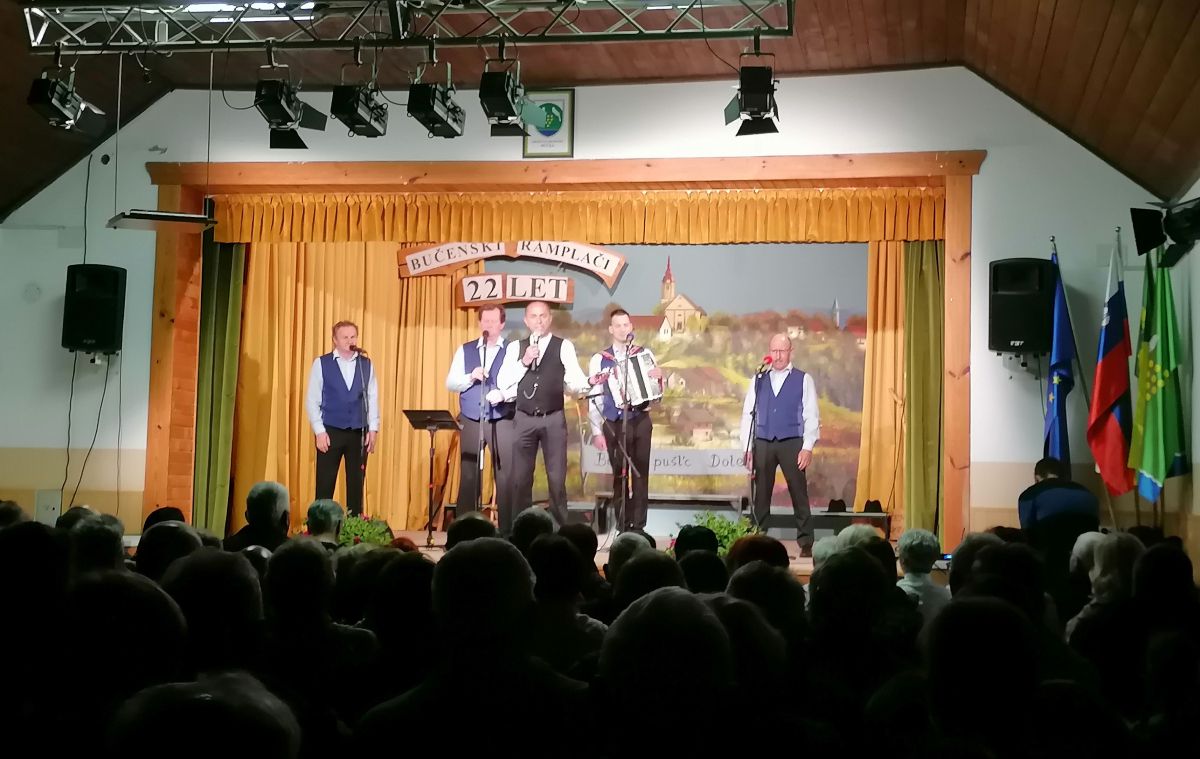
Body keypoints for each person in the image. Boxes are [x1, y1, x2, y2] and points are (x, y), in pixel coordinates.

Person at [496, 300, 591, 527]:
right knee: (521, 479)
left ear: (550, 319)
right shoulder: (516, 348)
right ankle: (520, 528)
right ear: (526, 321)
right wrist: (525, 361)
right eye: (534, 316)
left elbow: (575, 379)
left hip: (553, 419)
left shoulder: (563, 346)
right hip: (524, 419)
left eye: (543, 316)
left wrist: (586, 385)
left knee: (557, 479)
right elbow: (503, 382)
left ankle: (560, 530)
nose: (538, 321)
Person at [739, 334, 820, 555]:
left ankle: (806, 542)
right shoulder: (758, 379)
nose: (777, 356)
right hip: (763, 441)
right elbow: (748, 414)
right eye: (774, 351)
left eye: (782, 351)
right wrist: (746, 447)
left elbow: (811, 415)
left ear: (790, 352)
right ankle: (758, 538)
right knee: (761, 494)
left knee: (798, 491)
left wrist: (807, 446)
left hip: (792, 441)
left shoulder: (803, 379)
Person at [587, 309, 663, 531]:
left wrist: (660, 380)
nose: (622, 329)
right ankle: (622, 525)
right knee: (619, 476)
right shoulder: (600, 359)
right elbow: (595, 396)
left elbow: (656, 394)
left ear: (631, 327)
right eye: (618, 325)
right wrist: (596, 431)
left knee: (640, 474)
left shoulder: (644, 354)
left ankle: (638, 526)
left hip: (640, 420)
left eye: (626, 325)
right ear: (611, 329)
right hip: (614, 422)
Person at [445, 305, 515, 532]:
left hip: (502, 418)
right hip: (472, 417)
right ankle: (465, 529)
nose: (489, 326)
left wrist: (503, 394)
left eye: (493, 321)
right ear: (479, 323)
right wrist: (470, 376)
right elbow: (451, 382)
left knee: (504, 474)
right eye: (485, 321)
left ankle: (507, 530)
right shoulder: (465, 350)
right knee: (469, 473)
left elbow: (518, 382)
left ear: (502, 324)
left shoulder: (512, 349)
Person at [305, 320, 379, 516]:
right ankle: (320, 525)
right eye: (345, 337)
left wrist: (373, 428)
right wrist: (319, 431)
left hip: (358, 431)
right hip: (331, 430)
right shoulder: (322, 363)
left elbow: (372, 398)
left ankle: (354, 525)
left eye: (353, 336)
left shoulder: (366, 364)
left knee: (356, 484)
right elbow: (312, 400)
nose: (350, 341)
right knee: (325, 483)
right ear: (335, 340)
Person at [1016, 456, 1100, 529]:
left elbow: (1027, 531)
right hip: (1086, 541)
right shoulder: (1087, 493)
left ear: (1037, 478)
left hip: (1049, 541)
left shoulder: (1029, 495)